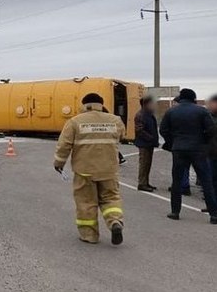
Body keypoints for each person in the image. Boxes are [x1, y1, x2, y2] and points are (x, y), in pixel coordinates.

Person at [54, 93, 126, 245]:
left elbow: (64, 145)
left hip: (84, 171)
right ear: (101, 104)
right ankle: (115, 222)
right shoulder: (115, 120)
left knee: (86, 202)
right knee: (111, 198)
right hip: (109, 170)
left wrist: (59, 163)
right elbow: (121, 136)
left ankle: (89, 235)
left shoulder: (74, 122)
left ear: (84, 104)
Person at [159, 88, 217, 224]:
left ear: (181, 98)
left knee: (177, 181)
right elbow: (211, 130)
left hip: (178, 149)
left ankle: (175, 212)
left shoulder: (171, 111)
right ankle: (214, 215)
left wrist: (173, 142)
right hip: (198, 149)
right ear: (193, 98)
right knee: (206, 181)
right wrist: (205, 143)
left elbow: (163, 130)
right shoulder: (201, 111)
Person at [134, 96, 159, 191]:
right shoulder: (141, 114)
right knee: (144, 164)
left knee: (148, 164)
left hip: (149, 143)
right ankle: (142, 183)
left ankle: (146, 182)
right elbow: (139, 129)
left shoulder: (148, 114)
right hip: (144, 143)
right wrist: (150, 138)